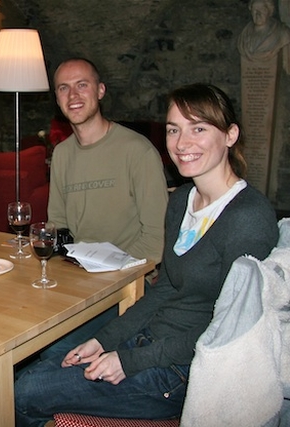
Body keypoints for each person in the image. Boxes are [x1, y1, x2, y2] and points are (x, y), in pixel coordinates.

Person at [14, 83, 280, 426]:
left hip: (183, 372)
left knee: (25, 391)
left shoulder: (248, 218)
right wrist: (104, 340)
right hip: (150, 342)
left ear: (230, 135)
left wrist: (130, 361)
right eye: (174, 130)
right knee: (41, 366)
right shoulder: (183, 201)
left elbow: (229, 330)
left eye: (198, 128)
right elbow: (166, 288)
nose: (182, 144)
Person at [39, 57, 169, 360]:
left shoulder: (137, 151)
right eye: (63, 88)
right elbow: (57, 222)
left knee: (52, 351)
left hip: (127, 286)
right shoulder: (62, 155)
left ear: (100, 91)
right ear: (57, 99)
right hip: (77, 281)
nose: (73, 95)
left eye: (82, 85)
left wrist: (105, 276)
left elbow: (155, 240)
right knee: (19, 331)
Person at [238, 0, 290, 73]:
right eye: (254, 10)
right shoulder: (244, 36)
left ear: (269, 11)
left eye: (262, 9)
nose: (258, 14)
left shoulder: (283, 33)